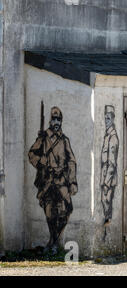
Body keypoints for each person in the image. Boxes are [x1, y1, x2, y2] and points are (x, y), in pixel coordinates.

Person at [28, 107, 78, 254]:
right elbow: (31, 154)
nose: (56, 122)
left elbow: (71, 161)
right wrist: (40, 161)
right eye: (54, 119)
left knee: (67, 209)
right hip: (48, 180)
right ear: (50, 120)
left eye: (59, 119)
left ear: (61, 121)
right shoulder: (43, 138)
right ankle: (54, 243)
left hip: (61, 180)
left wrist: (73, 181)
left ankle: (53, 241)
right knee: (50, 213)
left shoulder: (65, 140)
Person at [100, 106, 119, 227]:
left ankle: (107, 229)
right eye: (105, 118)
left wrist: (106, 183)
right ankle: (107, 227)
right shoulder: (107, 136)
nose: (106, 121)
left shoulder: (112, 138)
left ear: (112, 119)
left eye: (108, 119)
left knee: (106, 201)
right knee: (105, 202)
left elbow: (112, 163)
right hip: (105, 175)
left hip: (109, 179)